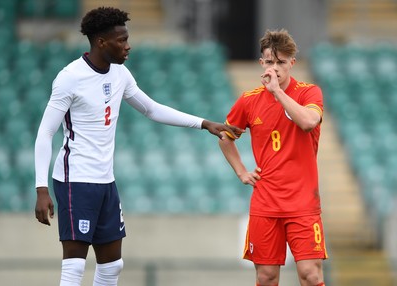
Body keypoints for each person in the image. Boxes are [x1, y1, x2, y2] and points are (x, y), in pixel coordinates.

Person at [34, 6, 243, 286]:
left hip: (105, 181)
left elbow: (151, 109)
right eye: (121, 40)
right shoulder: (70, 77)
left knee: (113, 266)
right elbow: (45, 133)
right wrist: (41, 189)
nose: (128, 46)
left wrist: (204, 123)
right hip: (76, 181)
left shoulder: (120, 74)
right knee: (74, 267)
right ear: (100, 42)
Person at [218, 29, 327, 286]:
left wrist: (278, 92)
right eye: (269, 62)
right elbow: (225, 136)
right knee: (266, 277)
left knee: (310, 274)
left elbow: (309, 122)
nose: (274, 68)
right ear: (261, 63)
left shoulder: (309, 93)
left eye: (280, 62)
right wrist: (241, 171)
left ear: (292, 63)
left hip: (302, 203)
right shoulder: (248, 100)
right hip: (266, 203)